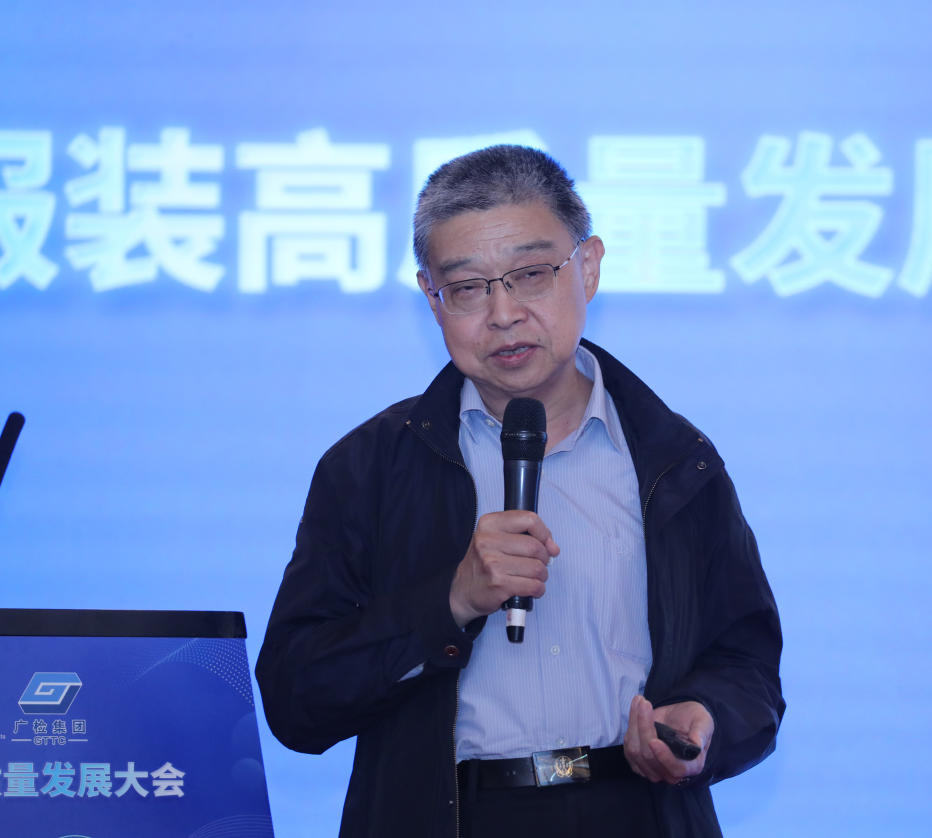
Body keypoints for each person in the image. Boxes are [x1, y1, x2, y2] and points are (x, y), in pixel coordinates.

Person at [256, 145, 783, 838]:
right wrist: (451, 601)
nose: (503, 313)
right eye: (467, 287)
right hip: (451, 818)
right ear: (431, 298)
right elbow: (295, 699)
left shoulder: (675, 459)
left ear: (587, 267)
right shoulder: (369, 468)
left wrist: (704, 718)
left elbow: (745, 664)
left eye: (531, 275)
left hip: (637, 812)